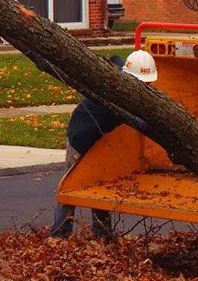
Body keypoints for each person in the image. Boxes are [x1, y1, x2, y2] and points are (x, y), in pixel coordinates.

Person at [50, 50, 158, 240]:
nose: (147, 87)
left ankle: (103, 234)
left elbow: (116, 58)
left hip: (101, 138)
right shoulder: (117, 100)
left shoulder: (119, 75)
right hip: (81, 138)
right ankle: (59, 235)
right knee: (70, 187)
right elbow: (139, 124)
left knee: (100, 185)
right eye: (144, 83)